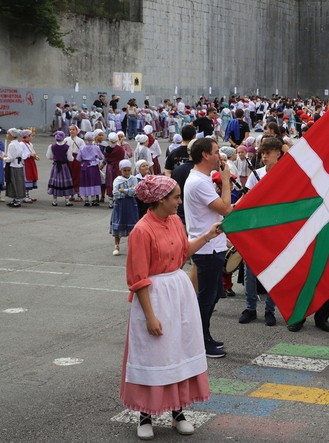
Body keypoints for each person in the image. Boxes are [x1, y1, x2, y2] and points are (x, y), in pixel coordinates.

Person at [121, 174, 220, 440]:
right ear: (160, 199)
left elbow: (183, 253)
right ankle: (145, 415)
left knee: (178, 350)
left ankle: (178, 411)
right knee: (153, 354)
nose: (179, 201)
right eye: (175, 197)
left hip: (178, 293)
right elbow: (138, 279)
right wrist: (150, 317)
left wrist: (209, 235)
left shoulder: (175, 221)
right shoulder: (141, 231)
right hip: (154, 297)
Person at [184, 137, 232, 358]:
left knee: (212, 296)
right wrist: (226, 181)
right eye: (215, 152)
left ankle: (205, 336)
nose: (219, 156)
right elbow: (225, 209)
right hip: (207, 248)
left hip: (212, 245)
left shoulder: (200, 179)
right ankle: (200, 341)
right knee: (206, 298)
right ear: (204, 155)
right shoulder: (199, 182)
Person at [239, 136, 281, 328]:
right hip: (255, 229)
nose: (264, 157)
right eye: (262, 153)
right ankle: (250, 308)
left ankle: (270, 310)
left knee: (273, 272)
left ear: (278, 153)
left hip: (275, 230)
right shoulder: (255, 174)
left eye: (268, 153)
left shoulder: (287, 175)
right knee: (250, 272)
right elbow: (246, 201)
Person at [110, 160, 139, 256]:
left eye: (128, 170)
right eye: (124, 170)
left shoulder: (134, 179)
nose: (127, 172)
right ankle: (116, 246)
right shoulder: (117, 180)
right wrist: (128, 192)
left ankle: (132, 246)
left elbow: (135, 192)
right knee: (118, 224)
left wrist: (124, 191)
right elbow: (116, 193)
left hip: (131, 205)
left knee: (132, 225)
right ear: (121, 170)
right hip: (120, 206)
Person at [46, 131, 74, 206]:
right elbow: (70, 158)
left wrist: (55, 158)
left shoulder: (52, 146)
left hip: (56, 166)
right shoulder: (67, 147)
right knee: (66, 182)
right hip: (64, 166)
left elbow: (49, 156)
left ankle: (54, 200)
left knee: (55, 182)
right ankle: (67, 200)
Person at [4, 128, 27, 208]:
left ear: (12, 135)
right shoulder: (18, 143)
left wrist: (4, 158)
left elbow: (11, 158)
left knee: (14, 182)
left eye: (8, 134)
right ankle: (15, 198)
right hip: (19, 165)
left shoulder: (12, 145)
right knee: (17, 182)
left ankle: (16, 200)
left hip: (13, 166)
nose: (7, 135)